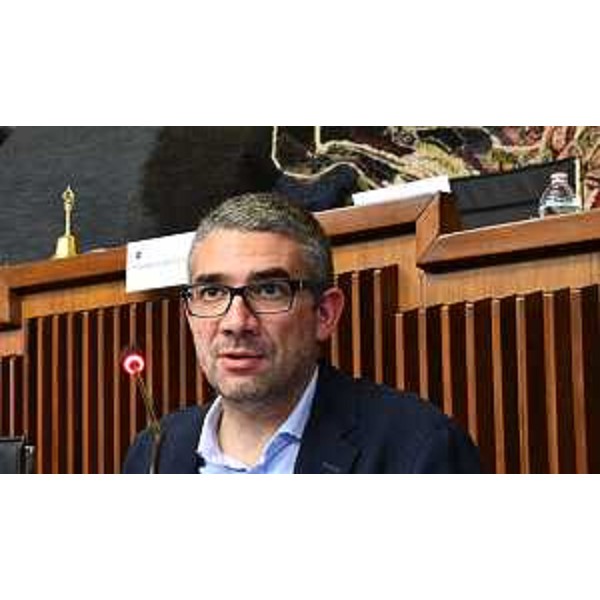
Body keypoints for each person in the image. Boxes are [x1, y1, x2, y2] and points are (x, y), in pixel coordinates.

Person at [123, 193, 481, 474]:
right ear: (189, 313)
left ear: (325, 314)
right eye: (212, 292)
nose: (235, 322)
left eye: (269, 290)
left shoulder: (419, 448)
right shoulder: (153, 450)